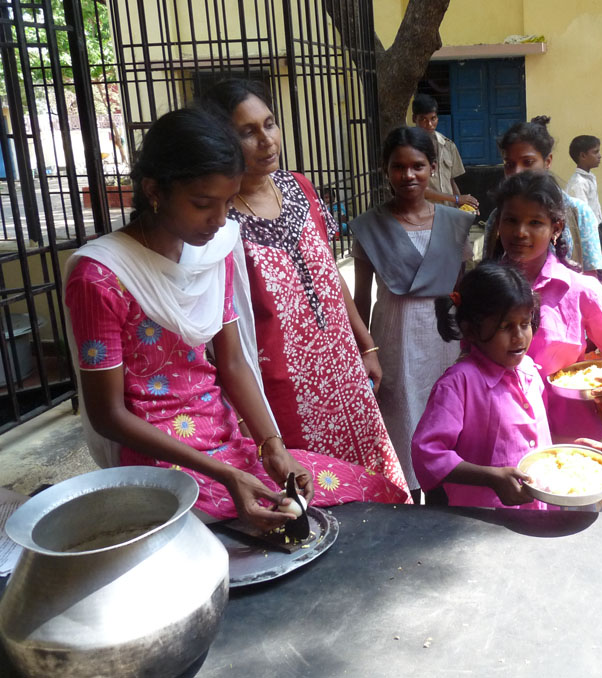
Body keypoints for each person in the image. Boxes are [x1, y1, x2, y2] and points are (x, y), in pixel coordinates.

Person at [64, 108, 408, 529]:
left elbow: (231, 362)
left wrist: (272, 446)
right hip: (161, 458)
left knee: (374, 491)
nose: (220, 219)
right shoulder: (99, 277)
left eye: (229, 202)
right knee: (272, 528)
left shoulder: (213, 250)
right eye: (202, 204)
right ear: (153, 190)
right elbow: (108, 415)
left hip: (226, 440)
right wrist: (227, 476)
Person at [201, 80, 407, 494]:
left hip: (345, 373)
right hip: (283, 391)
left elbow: (328, 272)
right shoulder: (219, 221)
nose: (266, 140)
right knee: (313, 495)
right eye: (247, 132)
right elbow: (220, 328)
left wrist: (366, 345)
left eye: (269, 124)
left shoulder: (300, 187)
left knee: (372, 484)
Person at [493, 171, 602, 512]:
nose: (520, 232)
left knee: (572, 528)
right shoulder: (486, 288)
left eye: (535, 222)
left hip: (570, 438)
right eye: (511, 220)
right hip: (501, 432)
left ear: (556, 228)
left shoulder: (579, 288)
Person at [351, 126, 476, 498]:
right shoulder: (370, 227)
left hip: (445, 339)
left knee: (446, 413)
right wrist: (362, 349)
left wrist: (470, 344)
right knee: (402, 418)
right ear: (385, 170)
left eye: (418, 166)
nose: (408, 175)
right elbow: (360, 297)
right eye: (398, 167)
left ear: (432, 167)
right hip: (394, 340)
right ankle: (407, 498)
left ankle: (446, 497)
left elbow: (461, 290)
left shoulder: (455, 223)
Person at [411, 263, 551, 509]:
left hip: (539, 511)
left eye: (525, 323)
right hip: (484, 520)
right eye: (505, 326)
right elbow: (427, 453)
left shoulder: (530, 370)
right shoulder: (458, 385)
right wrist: (490, 478)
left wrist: (570, 452)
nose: (519, 336)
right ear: (471, 330)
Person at [483, 116, 602, 274]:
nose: (517, 172)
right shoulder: (497, 216)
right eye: (510, 164)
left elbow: (590, 278)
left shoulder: (579, 212)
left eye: (528, 162)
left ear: (547, 162)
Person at [411, 93, 478, 211]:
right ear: (414, 119)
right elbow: (419, 189)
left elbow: (451, 181)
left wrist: (463, 205)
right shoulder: (409, 148)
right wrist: (456, 199)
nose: (429, 124)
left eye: (433, 119)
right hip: (422, 212)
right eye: (423, 119)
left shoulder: (447, 145)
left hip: (448, 211)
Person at [565, 134, 602, 224]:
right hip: (587, 229)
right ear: (583, 156)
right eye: (595, 152)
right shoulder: (578, 183)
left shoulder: (589, 178)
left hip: (594, 226)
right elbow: (582, 215)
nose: (600, 156)